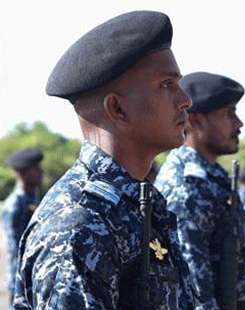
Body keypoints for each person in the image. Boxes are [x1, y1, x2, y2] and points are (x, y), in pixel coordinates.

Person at [13, 11, 195, 309]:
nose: (185, 100)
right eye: (166, 85)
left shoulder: (133, 204)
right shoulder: (78, 225)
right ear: (118, 109)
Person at [155, 72, 245, 310]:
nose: (239, 124)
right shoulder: (187, 185)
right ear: (194, 121)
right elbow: (196, 290)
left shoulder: (211, 177)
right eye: (229, 114)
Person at [2, 149, 43, 306]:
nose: (41, 172)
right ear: (23, 173)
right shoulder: (14, 205)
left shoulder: (32, 198)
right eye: (36, 169)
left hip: (34, 277)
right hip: (21, 281)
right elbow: (15, 249)